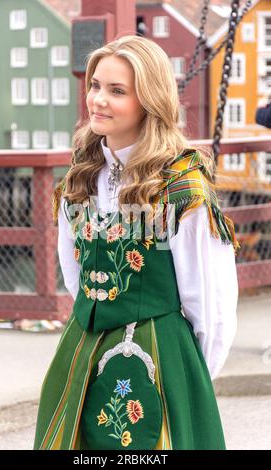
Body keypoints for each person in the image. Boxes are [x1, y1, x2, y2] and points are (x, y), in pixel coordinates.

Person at [33, 35, 240, 451]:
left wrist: (188, 382)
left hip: (156, 358)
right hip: (81, 352)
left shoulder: (181, 187)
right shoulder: (81, 177)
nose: (98, 100)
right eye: (95, 86)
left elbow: (211, 303)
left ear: (149, 99)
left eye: (117, 91)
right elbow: (76, 275)